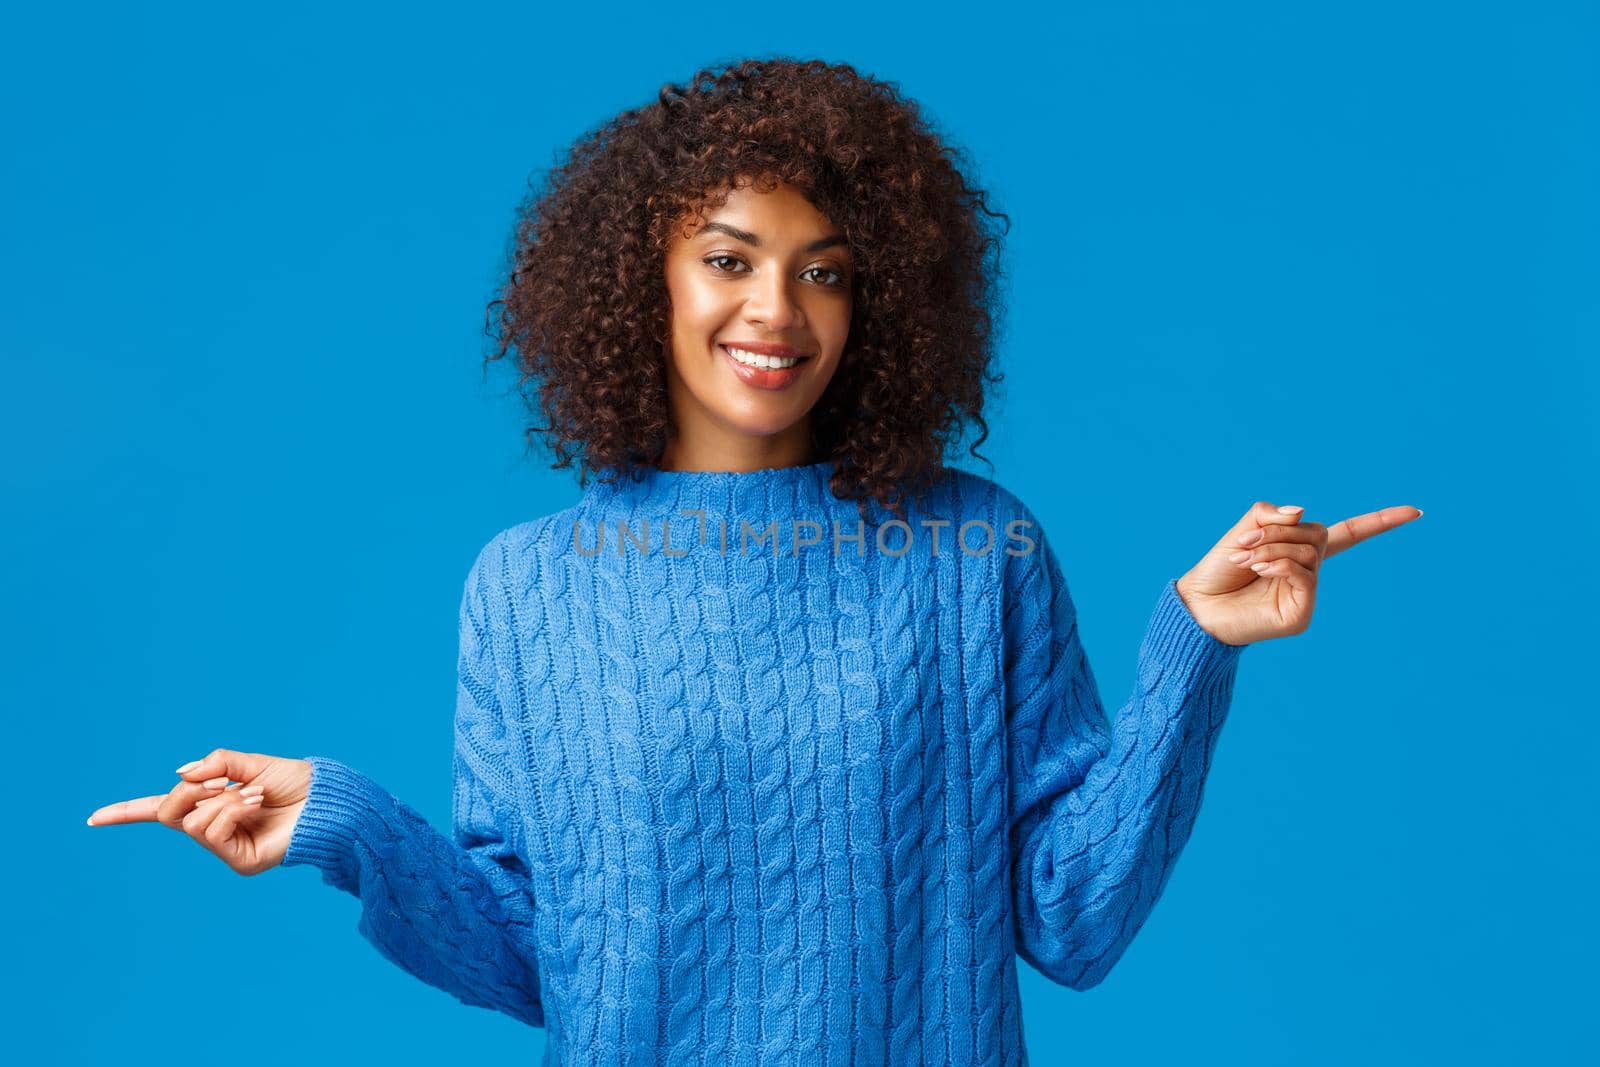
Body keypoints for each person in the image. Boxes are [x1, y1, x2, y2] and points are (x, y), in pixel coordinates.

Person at [87, 57, 1420, 1064]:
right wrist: (346, 821)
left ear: (879, 301)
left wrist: (1196, 652)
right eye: (729, 259)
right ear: (643, 281)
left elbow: (1069, 921)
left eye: (826, 273)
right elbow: (549, 962)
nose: (776, 312)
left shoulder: (975, 548)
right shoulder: (529, 583)